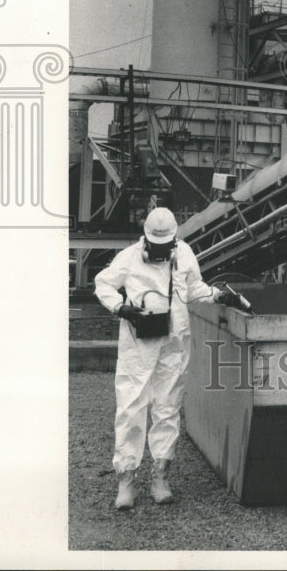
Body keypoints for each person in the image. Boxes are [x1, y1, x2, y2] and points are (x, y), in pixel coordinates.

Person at [94, 206, 241, 510]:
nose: (159, 250)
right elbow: (103, 283)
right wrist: (121, 308)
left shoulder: (185, 253)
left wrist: (216, 295)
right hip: (139, 342)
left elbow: (193, 289)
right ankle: (127, 479)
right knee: (131, 405)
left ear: (174, 240)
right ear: (145, 239)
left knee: (167, 406)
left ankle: (160, 476)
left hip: (174, 341)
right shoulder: (130, 256)